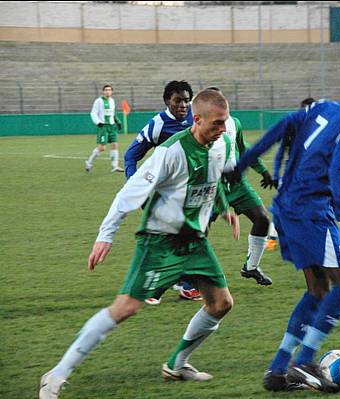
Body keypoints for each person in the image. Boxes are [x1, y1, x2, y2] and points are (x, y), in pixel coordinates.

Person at [39, 89, 240, 399]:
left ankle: (177, 365)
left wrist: (223, 207)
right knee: (125, 308)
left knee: (221, 303)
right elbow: (127, 195)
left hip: (195, 243)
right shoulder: (170, 152)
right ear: (196, 120)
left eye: (225, 122)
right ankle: (56, 374)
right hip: (159, 243)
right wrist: (106, 236)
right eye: (216, 123)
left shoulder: (220, 143)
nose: (223, 130)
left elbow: (213, 181)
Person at [229, 69, 340, 392]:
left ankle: (277, 370)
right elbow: (338, 170)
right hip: (311, 210)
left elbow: (282, 126)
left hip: (286, 206)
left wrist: (241, 163)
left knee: (318, 288)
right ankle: (304, 362)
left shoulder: (324, 107)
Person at [123, 80, 201, 304]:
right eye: (178, 100)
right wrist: (136, 186)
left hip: (189, 190)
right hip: (164, 191)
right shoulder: (157, 125)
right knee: (169, 238)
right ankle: (157, 286)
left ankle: (181, 284)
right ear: (167, 101)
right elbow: (130, 156)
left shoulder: (194, 118)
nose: (183, 105)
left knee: (187, 235)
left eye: (187, 100)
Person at [206, 87, 275, 286]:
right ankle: (190, 279)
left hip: (238, 184)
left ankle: (251, 267)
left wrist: (263, 172)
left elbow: (244, 150)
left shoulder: (234, 123)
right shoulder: (201, 126)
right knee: (201, 231)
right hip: (213, 186)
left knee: (262, 219)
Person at [266, 97, 315, 252]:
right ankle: (272, 239)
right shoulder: (292, 128)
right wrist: (275, 174)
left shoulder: (319, 129)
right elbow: (280, 153)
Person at [86, 84, 124, 172]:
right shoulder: (99, 101)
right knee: (102, 147)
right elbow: (93, 113)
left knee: (115, 144)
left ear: (112, 92)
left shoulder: (112, 101)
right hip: (103, 126)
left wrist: (118, 121)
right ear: (103, 92)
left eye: (109, 90)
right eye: (106, 90)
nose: (108, 91)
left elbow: (113, 113)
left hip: (112, 126)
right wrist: (98, 122)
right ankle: (89, 162)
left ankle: (115, 166)